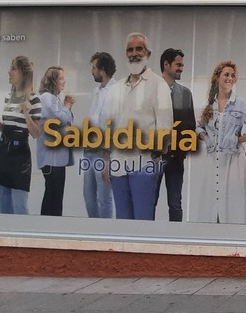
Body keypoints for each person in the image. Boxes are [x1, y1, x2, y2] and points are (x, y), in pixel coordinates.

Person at [105, 32, 173, 220]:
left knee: (143, 221)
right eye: (130, 50)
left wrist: (155, 153)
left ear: (148, 53)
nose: (134, 53)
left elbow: (165, 126)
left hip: (144, 163)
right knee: (122, 221)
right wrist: (107, 161)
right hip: (118, 163)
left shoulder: (158, 84)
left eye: (139, 49)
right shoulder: (118, 87)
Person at [194, 61, 246, 224]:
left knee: (232, 205)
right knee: (210, 205)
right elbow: (198, 126)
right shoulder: (209, 104)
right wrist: (205, 137)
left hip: (233, 162)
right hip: (213, 160)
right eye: (226, 75)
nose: (230, 78)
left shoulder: (240, 104)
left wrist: (239, 140)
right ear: (217, 78)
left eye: (233, 75)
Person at [0, 55, 41, 215]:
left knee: (19, 205)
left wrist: (27, 114)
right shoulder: (8, 97)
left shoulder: (34, 99)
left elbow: (36, 133)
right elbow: (6, 129)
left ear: (22, 73)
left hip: (20, 155)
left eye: (13, 69)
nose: (9, 72)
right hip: (3, 151)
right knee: (3, 205)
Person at [157, 48, 195, 222]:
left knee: (175, 204)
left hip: (176, 159)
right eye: (178, 65)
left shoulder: (185, 94)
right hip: (153, 158)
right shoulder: (152, 90)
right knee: (149, 202)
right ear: (166, 64)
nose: (181, 68)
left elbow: (190, 126)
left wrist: (181, 151)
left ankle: (176, 236)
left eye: (182, 65)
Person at [36, 66, 75, 216]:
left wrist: (66, 108)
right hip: (51, 158)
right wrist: (67, 106)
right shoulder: (46, 98)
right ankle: (48, 225)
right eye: (61, 78)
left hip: (57, 158)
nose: (64, 82)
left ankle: (52, 224)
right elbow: (60, 119)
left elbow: (67, 119)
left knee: (55, 196)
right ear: (52, 81)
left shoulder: (55, 99)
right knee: (53, 196)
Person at [82, 52, 116, 218]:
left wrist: (107, 160)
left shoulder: (116, 91)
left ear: (102, 70)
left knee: (104, 198)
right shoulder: (96, 91)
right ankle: (93, 228)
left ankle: (105, 231)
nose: (92, 71)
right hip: (89, 150)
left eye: (94, 68)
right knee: (88, 196)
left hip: (104, 153)